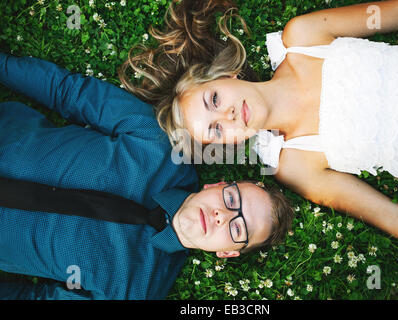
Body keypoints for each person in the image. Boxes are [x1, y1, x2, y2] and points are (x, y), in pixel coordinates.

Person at [119, 0, 398, 256]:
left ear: (225, 76)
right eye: (216, 130)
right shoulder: (295, 165)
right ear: (231, 144)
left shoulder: (304, 36)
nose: (229, 115)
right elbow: (389, 216)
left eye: (214, 99)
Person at [0, 53, 294, 299]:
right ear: (216, 185)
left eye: (237, 229)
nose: (222, 216)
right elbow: (69, 92)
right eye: (231, 199)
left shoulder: (134, 293)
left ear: (228, 253)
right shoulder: (158, 142)